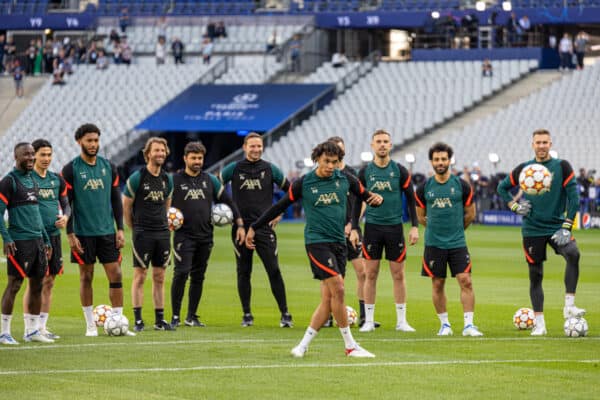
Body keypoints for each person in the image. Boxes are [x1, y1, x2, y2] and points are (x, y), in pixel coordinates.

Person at [245, 141, 383, 358]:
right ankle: (350, 346)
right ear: (317, 159)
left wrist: (377, 199)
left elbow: (367, 196)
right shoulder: (304, 183)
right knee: (338, 288)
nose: (331, 166)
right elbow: (279, 206)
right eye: (327, 161)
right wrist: (254, 227)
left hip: (339, 244)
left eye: (335, 162)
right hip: (317, 243)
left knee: (329, 301)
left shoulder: (346, 179)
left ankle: (302, 346)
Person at [497, 129, 585, 336]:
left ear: (551, 144)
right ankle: (540, 324)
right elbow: (502, 188)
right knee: (535, 275)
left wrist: (567, 225)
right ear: (532, 145)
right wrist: (514, 206)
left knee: (573, 253)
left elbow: (574, 198)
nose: (542, 146)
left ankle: (569, 306)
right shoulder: (524, 169)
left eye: (545, 142)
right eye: (538, 142)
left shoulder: (562, 167)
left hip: (557, 227)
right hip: (532, 229)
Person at [62, 123, 133, 337]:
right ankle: (90, 326)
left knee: (116, 274)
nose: (93, 144)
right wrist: (70, 233)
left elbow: (115, 200)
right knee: (86, 276)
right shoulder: (70, 169)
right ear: (79, 142)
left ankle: (119, 321)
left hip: (106, 232)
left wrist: (119, 229)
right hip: (83, 233)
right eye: (89, 140)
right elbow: (67, 204)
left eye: (96, 140)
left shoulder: (109, 167)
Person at [219, 133, 292, 328]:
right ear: (244, 147)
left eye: (259, 146)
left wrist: (280, 212)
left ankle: (285, 314)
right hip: (240, 229)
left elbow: (292, 191)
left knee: (274, 270)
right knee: (243, 272)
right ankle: (247, 315)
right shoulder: (233, 169)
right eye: (252, 146)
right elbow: (214, 188)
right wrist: (227, 212)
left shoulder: (270, 169)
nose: (256, 149)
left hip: (264, 228)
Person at [170, 142, 244, 328]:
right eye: (193, 158)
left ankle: (191, 316)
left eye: (200, 158)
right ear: (185, 158)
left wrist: (239, 223)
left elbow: (228, 201)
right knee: (181, 273)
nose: (197, 161)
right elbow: (163, 202)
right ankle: (175, 316)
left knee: (198, 276)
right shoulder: (174, 180)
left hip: (205, 236)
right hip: (183, 236)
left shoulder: (210, 180)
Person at [415, 142, 483, 337]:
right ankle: (445, 325)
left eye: (444, 159)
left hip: (457, 243)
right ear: (431, 162)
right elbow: (420, 216)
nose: (440, 162)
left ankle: (469, 325)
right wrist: (436, 229)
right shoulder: (424, 188)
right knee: (437, 284)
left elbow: (471, 214)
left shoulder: (461, 185)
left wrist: (456, 230)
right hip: (434, 244)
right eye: (436, 159)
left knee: (466, 280)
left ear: (449, 161)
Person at [357, 130, 419, 333]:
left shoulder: (400, 171)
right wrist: (354, 227)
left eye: (386, 141)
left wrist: (415, 227)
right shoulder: (365, 172)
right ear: (372, 145)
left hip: (394, 228)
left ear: (391, 145)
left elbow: (411, 199)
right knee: (370, 274)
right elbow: (356, 202)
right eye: (378, 142)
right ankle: (368, 320)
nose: (382, 145)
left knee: (398, 275)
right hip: (373, 228)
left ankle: (402, 321)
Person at [0, 143, 53, 345]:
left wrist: (46, 238)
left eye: (32, 154)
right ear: (16, 156)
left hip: (37, 240)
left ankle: (32, 331)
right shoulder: (8, 181)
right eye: (27, 154)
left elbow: (36, 213)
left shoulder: (32, 180)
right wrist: (7, 237)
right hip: (19, 241)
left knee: (37, 284)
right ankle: (4, 332)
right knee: (14, 285)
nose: (31, 158)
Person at [20, 140, 70, 341]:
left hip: (55, 237)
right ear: (34, 156)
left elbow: (66, 205)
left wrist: (65, 217)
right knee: (34, 283)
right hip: (35, 237)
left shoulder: (56, 179)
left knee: (49, 282)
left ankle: (41, 326)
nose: (46, 159)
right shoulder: (26, 179)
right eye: (42, 155)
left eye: (49, 155)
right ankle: (28, 329)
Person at [123, 138, 174, 332]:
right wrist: (133, 227)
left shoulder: (167, 178)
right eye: (156, 150)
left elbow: (167, 204)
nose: (160, 153)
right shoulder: (138, 177)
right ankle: (138, 320)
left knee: (160, 276)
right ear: (148, 154)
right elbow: (126, 205)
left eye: (163, 150)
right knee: (140, 275)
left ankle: (160, 320)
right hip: (142, 232)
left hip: (162, 232)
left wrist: (165, 223)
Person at [325, 136, 368, 327]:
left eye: (340, 149)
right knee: (331, 276)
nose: (337, 152)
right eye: (334, 149)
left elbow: (364, 200)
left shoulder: (352, 174)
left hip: (352, 232)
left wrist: (353, 224)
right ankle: (327, 316)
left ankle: (365, 316)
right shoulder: (323, 174)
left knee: (362, 272)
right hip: (331, 233)